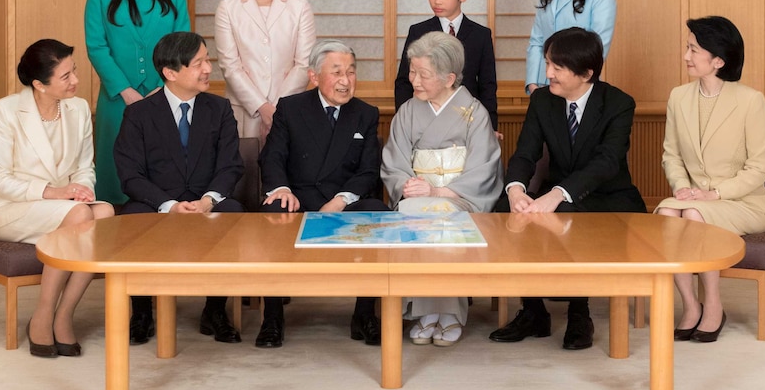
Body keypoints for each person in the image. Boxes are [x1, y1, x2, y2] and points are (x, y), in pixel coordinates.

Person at [491, 27, 645, 350]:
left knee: (565, 212)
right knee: (505, 210)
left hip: (608, 198)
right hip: (557, 194)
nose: (547, 74)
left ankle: (580, 313)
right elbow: (525, 153)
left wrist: (558, 193)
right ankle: (533, 311)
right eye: (548, 64)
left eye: (557, 68)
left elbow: (607, 163)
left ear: (586, 72)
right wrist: (516, 191)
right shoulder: (543, 102)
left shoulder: (618, 104)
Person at [0, 39, 115, 357]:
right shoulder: (5, 111)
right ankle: (43, 315)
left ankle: (64, 313)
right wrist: (54, 193)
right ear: (40, 84)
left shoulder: (79, 108)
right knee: (82, 217)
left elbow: (85, 166)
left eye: (75, 71)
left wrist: (81, 189)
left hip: (62, 207)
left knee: (106, 212)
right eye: (66, 76)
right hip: (13, 208)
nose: (76, 81)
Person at [114, 32, 244, 345]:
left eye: (207, 60)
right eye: (198, 63)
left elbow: (231, 166)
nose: (207, 69)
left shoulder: (220, 109)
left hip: (205, 201)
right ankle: (142, 310)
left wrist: (208, 200)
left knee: (234, 212)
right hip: (158, 203)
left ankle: (215, 309)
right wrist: (168, 204)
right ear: (171, 73)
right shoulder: (138, 114)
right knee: (133, 216)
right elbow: (130, 175)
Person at [258, 40, 388, 348]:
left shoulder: (365, 114)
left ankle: (365, 315)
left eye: (351, 72)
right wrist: (282, 189)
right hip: (299, 197)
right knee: (274, 213)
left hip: (342, 199)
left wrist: (341, 200)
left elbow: (369, 170)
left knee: (378, 213)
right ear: (314, 76)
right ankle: (272, 318)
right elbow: (272, 156)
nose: (346, 80)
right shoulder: (290, 107)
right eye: (337, 72)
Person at [655, 16, 765, 343]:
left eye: (694, 49)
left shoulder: (751, 101)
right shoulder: (679, 97)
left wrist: (713, 194)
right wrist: (680, 186)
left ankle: (715, 307)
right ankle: (691, 305)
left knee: (693, 216)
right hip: (692, 197)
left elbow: (760, 168)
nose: (686, 56)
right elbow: (671, 154)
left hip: (746, 203)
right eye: (687, 47)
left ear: (718, 60)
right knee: (667, 213)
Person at [382, 31, 503, 347]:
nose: (414, 81)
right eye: (412, 71)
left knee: (444, 217)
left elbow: (483, 166)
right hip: (418, 196)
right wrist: (406, 184)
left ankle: (448, 313)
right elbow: (394, 160)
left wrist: (438, 192)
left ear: (450, 78)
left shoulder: (474, 112)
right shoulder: (408, 111)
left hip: (457, 197)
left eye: (424, 74)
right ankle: (425, 312)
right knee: (412, 211)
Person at [85, 0, 191, 205]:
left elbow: (183, 43)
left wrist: (161, 87)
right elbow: (96, 46)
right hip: (117, 98)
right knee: (116, 172)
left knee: (165, 169)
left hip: (165, 96)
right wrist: (126, 90)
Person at [214, 0, 317, 144]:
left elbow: (303, 64)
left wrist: (277, 109)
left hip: (289, 108)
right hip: (243, 110)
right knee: (245, 172)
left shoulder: (300, 8)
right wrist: (262, 107)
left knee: (285, 173)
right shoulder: (228, 9)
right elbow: (230, 66)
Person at [394, 0, 498, 130]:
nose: (437, 1)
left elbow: (487, 85)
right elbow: (403, 82)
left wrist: (490, 127)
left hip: (467, 120)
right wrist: (404, 120)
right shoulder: (418, 32)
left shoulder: (481, 35)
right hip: (424, 118)